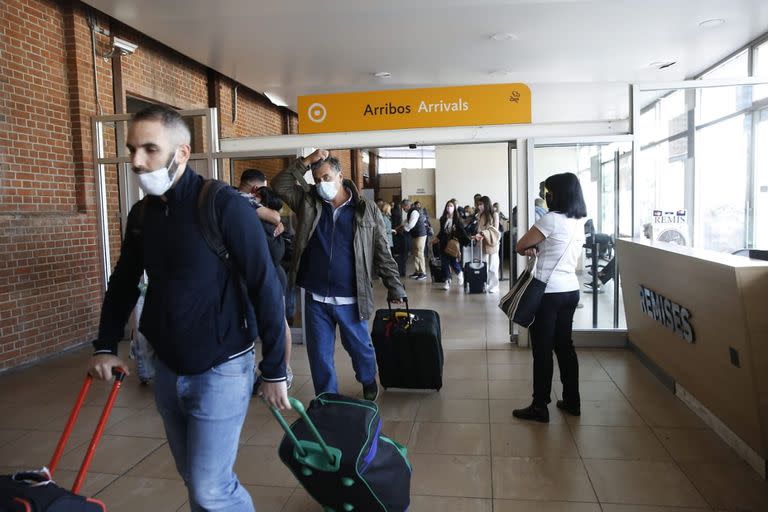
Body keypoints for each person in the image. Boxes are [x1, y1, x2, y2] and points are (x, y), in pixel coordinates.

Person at [88, 105, 288, 511]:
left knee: (210, 487)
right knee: (196, 483)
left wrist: (275, 369)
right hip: (168, 369)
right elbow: (124, 282)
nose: (136, 161)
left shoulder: (223, 205)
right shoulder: (143, 215)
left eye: (149, 149)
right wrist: (105, 345)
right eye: (131, 149)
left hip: (222, 368)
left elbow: (266, 285)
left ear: (182, 152)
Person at [273, 150, 406, 400]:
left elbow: (382, 251)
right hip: (316, 297)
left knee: (360, 349)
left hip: (351, 296)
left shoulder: (365, 210)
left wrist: (395, 286)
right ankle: (327, 399)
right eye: (317, 179)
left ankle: (367, 379)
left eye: (326, 177)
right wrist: (307, 161)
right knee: (320, 354)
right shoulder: (309, 203)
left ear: (340, 176)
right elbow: (280, 183)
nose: (322, 184)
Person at [512, 172, 587, 423]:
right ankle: (572, 400)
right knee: (565, 346)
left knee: (542, 350)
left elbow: (520, 245)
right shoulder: (579, 220)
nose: (547, 195)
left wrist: (533, 247)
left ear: (558, 193)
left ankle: (539, 406)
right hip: (570, 291)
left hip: (548, 292)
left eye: (549, 191)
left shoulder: (551, 219)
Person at [248, 185, 295, 392]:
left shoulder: (263, 224)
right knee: (278, 323)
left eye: (254, 196)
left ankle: (283, 371)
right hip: (273, 276)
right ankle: (282, 370)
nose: (250, 198)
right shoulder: (274, 223)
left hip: (271, 277)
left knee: (278, 323)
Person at [432, 200, 470, 290]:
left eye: (451, 206)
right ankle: (447, 281)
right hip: (443, 243)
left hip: (453, 244)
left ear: (454, 208)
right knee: (444, 263)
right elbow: (442, 231)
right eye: (448, 206)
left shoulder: (457, 220)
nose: (449, 208)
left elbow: (462, 232)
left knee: (453, 262)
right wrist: (436, 238)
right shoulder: (443, 218)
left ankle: (460, 273)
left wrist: (466, 241)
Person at [472, 195, 501, 293]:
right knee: (484, 264)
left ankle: (494, 286)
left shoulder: (494, 214)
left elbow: (495, 230)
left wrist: (483, 233)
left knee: (493, 265)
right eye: (478, 204)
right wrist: (478, 234)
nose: (479, 206)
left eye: (481, 204)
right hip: (481, 242)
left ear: (486, 204)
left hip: (492, 243)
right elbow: (479, 228)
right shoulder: (480, 215)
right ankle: (485, 284)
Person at [399, 199, 429, 281]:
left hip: (420, 234)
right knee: (415, 253)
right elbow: (406, 221)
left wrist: (404, 228)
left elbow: (411, 224)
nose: (403, 209)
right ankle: (417, 272)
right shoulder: (411, 212)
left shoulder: (414, 211)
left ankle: (423, 273)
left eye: (403, 207)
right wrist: (401, 225)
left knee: (419, 253)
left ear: (407, 206)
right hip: (415, 235)